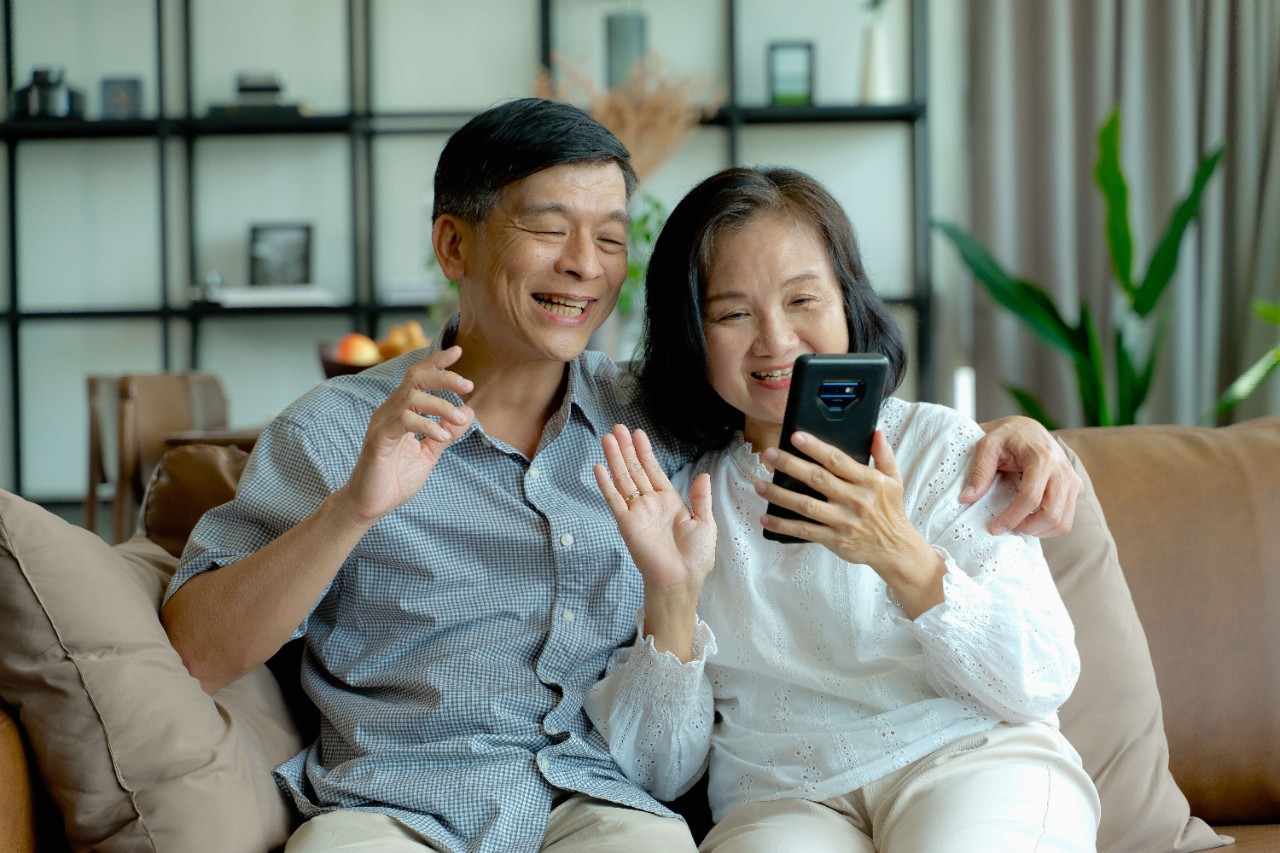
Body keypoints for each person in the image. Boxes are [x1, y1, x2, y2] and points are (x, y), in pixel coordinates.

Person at [160, 99, 1082, 853]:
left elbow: (800, 404)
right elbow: (195, 650)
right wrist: (352, 511)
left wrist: (1026, 438)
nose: (584, 268)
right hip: (396, 803)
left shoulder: (660, 418)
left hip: (598, 803)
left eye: (609, 239)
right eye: (549, 230)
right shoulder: (334, 433)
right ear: (454, 247)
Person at [585, 166, 1101, 852]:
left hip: (968, 757)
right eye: (734, 313)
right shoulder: (680, 496)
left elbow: (1036, 680)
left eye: (803, 299)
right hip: (780, 797)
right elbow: (658, 768)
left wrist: (899, 550)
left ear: (848, 302)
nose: (775, 339)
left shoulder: (941, 448)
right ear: (691, 332)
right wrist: (673, 599)